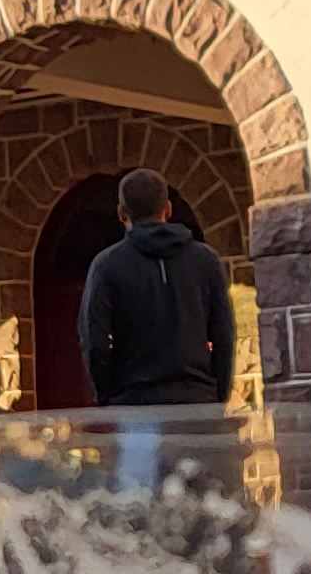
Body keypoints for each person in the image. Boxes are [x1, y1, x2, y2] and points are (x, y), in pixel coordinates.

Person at [78, 170, 237, 408]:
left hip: (134, 402)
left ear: (122, 214)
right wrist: (217, 394)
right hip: (196, 399)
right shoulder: (206, 261)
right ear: (168, 209)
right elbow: (224, 335)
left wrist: (107, 395)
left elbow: (94, 340)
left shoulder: (107, 265)